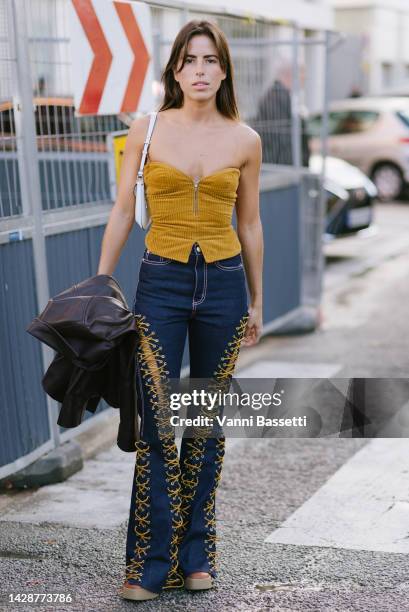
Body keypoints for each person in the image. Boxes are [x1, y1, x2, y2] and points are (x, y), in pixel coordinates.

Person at [97, 19, 263, 601]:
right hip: (160, 283)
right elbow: (122, 211)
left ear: (223, 70)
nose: (199, 69)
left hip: (223, 285)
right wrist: (100, 280)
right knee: (160, 426)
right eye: (190, 59)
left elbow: (250, 222)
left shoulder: (245, 139)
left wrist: (257, 299)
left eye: (210, 60)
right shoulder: (146, 130)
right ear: (174, 68)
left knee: (206, 426)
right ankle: (148, 564)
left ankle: (197, 558)